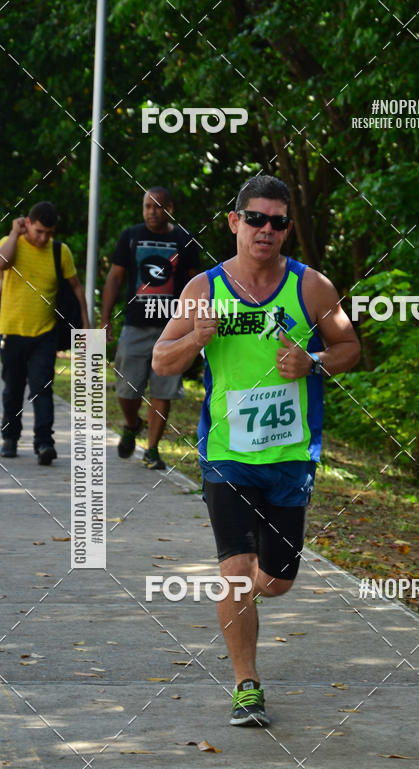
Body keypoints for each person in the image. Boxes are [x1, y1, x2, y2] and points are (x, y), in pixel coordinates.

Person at [153, 174, 361, 726]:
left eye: (277, 222)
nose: (265, 230)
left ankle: (260, 592)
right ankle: (246, 685)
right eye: (255, 219)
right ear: (234, 222)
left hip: (290, 458)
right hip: (227, 453)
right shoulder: (203, 289)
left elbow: (349, 347)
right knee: (238, 572)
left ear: (287, 229)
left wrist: (314, 362)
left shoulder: (311, 287)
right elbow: (161, 359)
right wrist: (197, 338)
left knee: (277, 581)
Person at [101, 187, 201, 470]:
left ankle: (152, 450)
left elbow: (197, 282)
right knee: (126, 389)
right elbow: (115, 277)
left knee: (163, 390)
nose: (152, 212)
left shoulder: (184, 239)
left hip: (173, 328)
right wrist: (106, 319)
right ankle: (132, 423)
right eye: (147, 206)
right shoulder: (130, 236)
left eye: (158, 206)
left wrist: (194, 321)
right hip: (135, 324)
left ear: (170, 208)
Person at [0, 201, 90, 464]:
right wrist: (14, 233)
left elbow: (76, 287)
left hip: (45, 333)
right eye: (39, 231)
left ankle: (44, 443)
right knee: (13, 389)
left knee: (42, 388)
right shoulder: (11, 242)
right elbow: (2, 263)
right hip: (12, 331)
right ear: (27, 223)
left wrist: (85, 324)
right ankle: (10, 438)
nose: (43, 238)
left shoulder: (60, 251)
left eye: (49, 233)